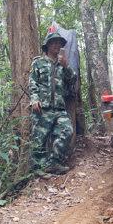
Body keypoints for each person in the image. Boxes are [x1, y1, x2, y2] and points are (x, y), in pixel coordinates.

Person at [29, 31, 77, 175]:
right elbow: (32, 82)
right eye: (55, 42)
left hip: (59, 108)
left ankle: (53, 163)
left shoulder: (63, 64)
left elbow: (73, 80)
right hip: (42, 108)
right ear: (48, 45)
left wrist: (66, 66)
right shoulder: (38, 62)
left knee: (67, 131)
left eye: (60, 43)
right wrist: (34, 99)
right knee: (39, 140)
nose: (58, 45)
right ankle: (38, 169)